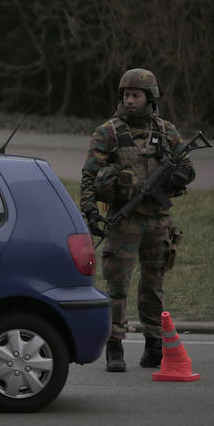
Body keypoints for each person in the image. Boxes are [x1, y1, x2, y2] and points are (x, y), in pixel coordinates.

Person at [80, 68, 195, 373]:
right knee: (117, 287)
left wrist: (180, 175)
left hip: (158, 222)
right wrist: (90, 211)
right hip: (124, 222)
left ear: (150, 98)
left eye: (136, 95)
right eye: (126, 95)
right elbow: (90, 175)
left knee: (153, 286)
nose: (129, 101)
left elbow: (187, 166)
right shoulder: (108, 132)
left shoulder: (167, 131)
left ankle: (154, 345)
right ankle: (114, 347)